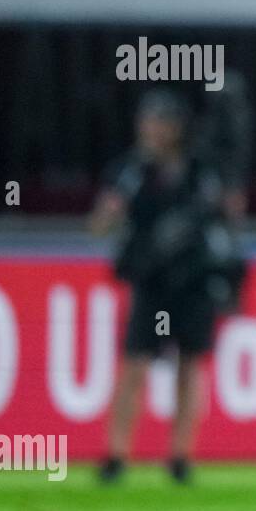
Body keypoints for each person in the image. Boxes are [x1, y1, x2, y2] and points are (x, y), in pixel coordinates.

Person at [90, 88, 245, 483]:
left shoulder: (201, 167)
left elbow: (231, 213)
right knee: (134, 364)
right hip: (152, 280)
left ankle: (180, 456)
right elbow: (100, 223)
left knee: (190, 364)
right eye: (147, 121)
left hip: (193, 279)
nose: (151, 130)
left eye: (159, 122)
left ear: (176, 128)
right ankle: (117, 455)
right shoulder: (132, 170)